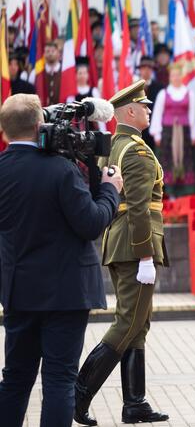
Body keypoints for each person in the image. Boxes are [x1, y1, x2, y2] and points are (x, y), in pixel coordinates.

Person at [0, 94, 121, 427]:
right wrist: (110, 188)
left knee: (15, 378)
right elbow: (92, 222)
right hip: (66, 294)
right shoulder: (60, 169)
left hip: (19, 292)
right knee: (58, 380)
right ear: (40, 125)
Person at [75, 80, 169, 425]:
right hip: (135, 245)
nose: (148, 109)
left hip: (121, 242)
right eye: (143, 106)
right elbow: (141, 208)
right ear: (129, 111)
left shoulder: (115, 146)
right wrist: (146, 255)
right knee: (128, 323)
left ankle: (135, 402)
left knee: (138, 324)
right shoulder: (138, 152)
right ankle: (78, 393)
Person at [149, 63, 195, 198]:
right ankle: (170, 193)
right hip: (167, 133)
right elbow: (157, 114)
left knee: (185, 160)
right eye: (173, 76)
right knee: (168, 161)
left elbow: (193, 115)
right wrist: (157, 133)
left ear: (182, 77)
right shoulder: (163, 94)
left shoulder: (189, 93)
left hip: (185, 133)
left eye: (178, 75)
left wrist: (194, 133)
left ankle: (185, 192)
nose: (176, 78)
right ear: (170, 77)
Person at [136, 56, 164, 151]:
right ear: (139, 70)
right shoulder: (134, 87)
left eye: (149, 68)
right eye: (143, 68)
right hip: (137, 130)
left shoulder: (160, 88)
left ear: (152, 70)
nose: (146, 71)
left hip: (153, 130)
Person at [41, 41, 62, 106]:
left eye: (53, 51)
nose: (50, 54)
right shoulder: (38, 73)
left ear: (58, 53)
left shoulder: (64, 71)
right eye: (47, 51)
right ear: (44, 54)